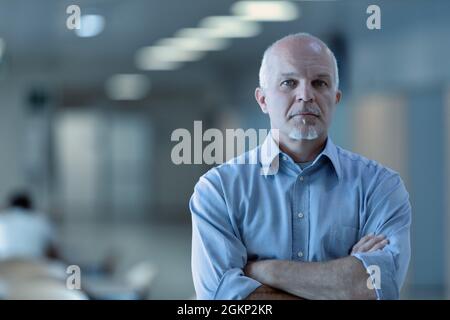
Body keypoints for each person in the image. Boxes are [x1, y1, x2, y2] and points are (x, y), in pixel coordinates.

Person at [189, 33, 411, 300]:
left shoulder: (380, 187)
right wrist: (343, 281)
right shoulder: (219, 191)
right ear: (263, 100)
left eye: (320, 83)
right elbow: (222, 299)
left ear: (336, 98)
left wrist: (264, 271)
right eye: (288, 83)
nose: (306, 95)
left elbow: (378, 288)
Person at [0, 191, 58, 260]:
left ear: (10, 205)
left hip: (5, 263)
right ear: (30, 206)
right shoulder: (41, 220)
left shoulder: (3, 219)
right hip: (34, 263)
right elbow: (53, 250)